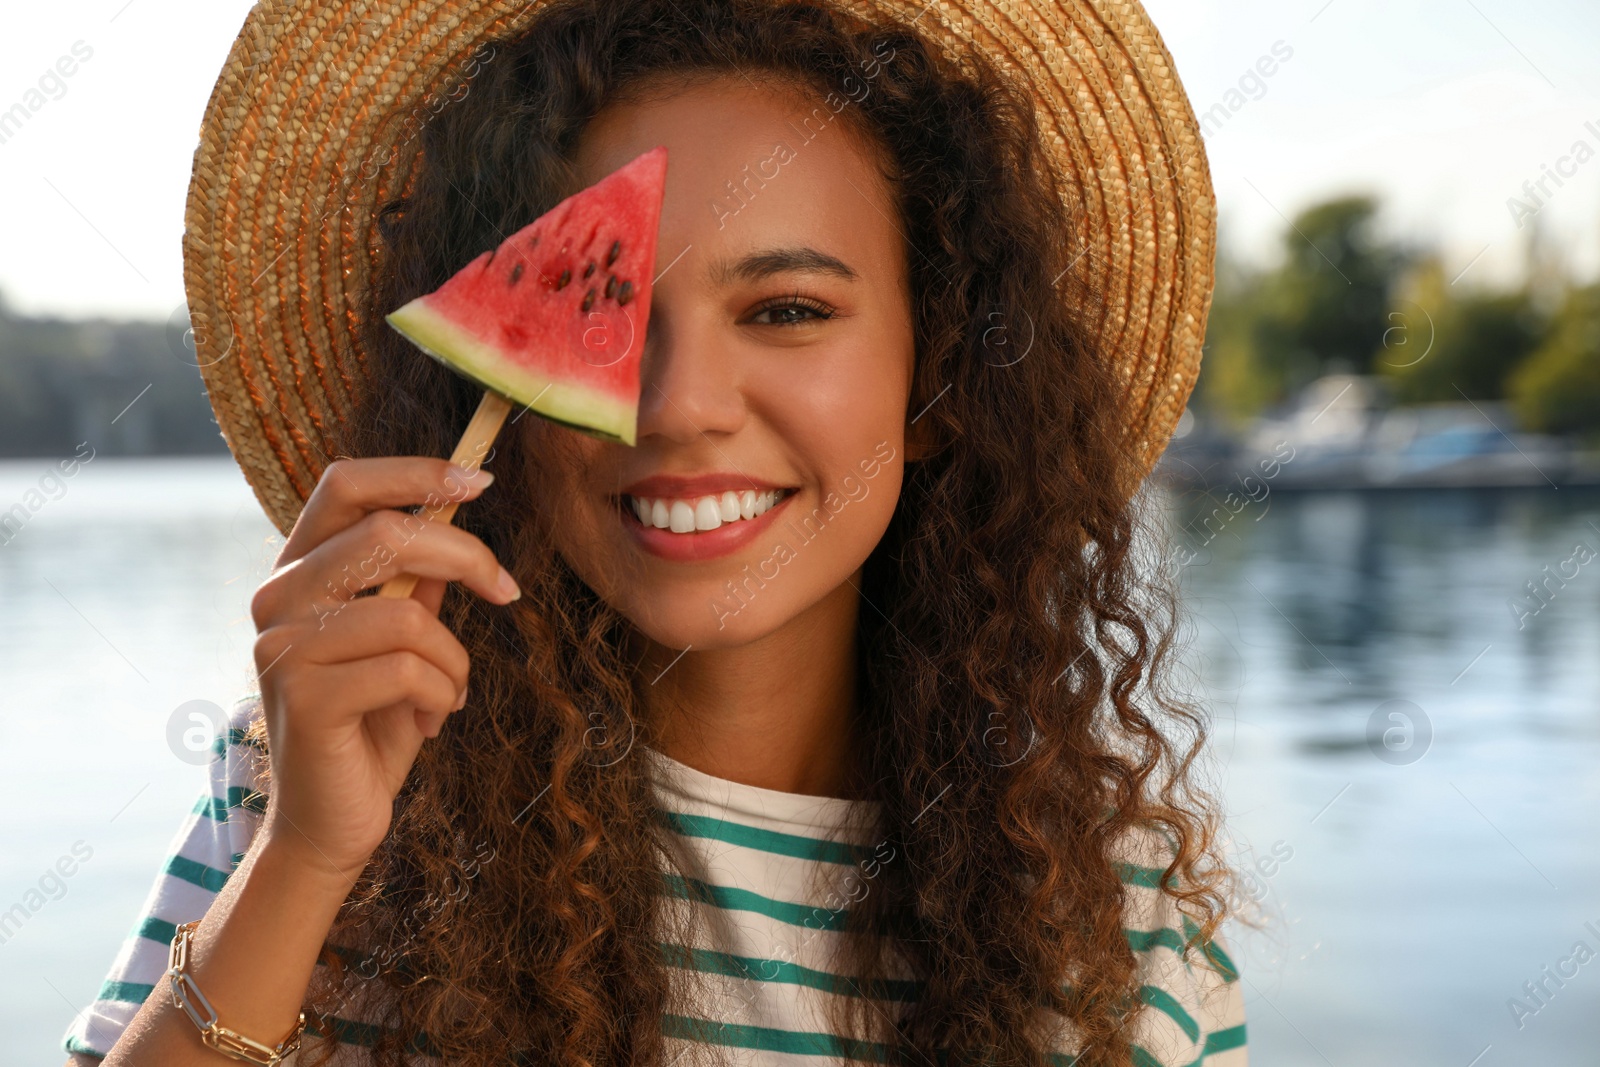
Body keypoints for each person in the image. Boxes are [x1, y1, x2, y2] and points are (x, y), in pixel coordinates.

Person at [62, 0, 1245, 1064]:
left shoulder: (1118, 928)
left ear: (935, 379)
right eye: (604, 309)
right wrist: (304, 862)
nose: (677, 405)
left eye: (786, 311)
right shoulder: (302, 774)